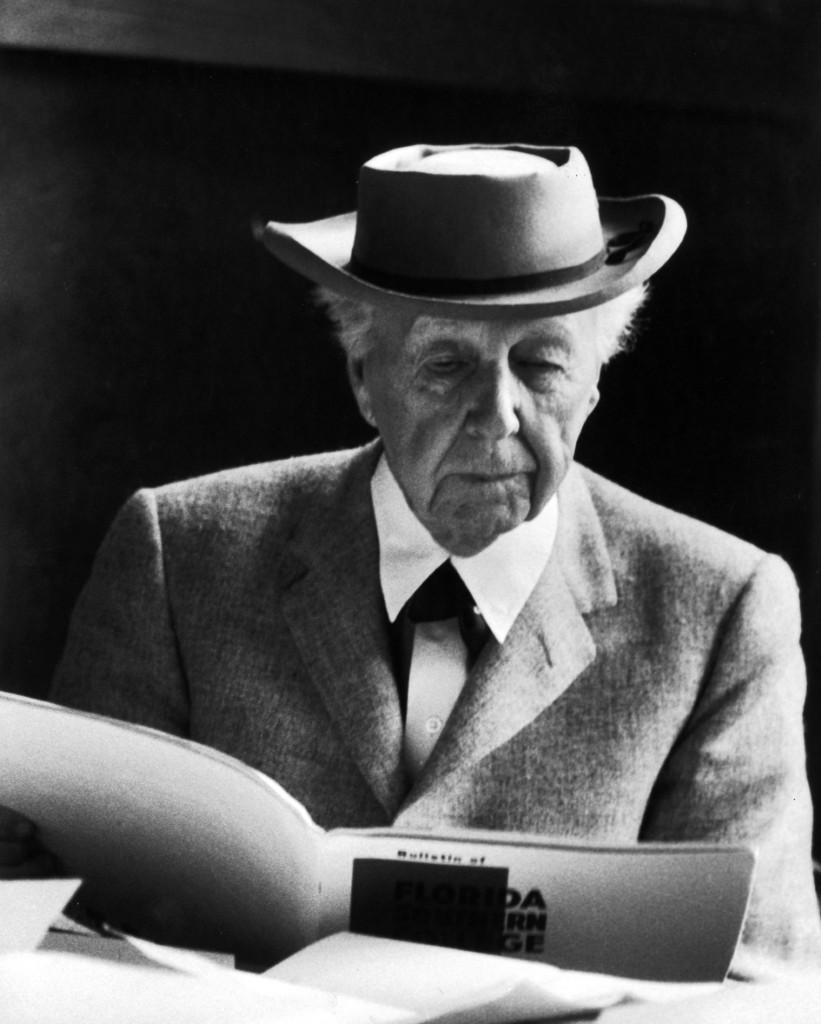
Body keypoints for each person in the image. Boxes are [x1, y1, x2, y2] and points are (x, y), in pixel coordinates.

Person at [2, 143, 819, 976]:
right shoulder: (178, 555)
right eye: (446, 364)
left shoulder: (720, 608)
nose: (496, 414)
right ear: (364, 377)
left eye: (541, 363)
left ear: (595, 382)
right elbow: (69, 921)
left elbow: (758, 982)